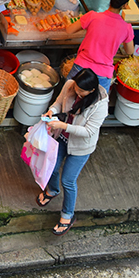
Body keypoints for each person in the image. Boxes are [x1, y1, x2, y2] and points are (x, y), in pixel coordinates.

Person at [36, 68, 107, 235]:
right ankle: (53, 190)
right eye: (76, 87)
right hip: (62, 138)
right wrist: (51, 111)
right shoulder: (70, 85)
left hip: (81, 147)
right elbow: (58, 103)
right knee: (52, 168)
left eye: (81, 90)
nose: (77, 91)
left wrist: (63, 125)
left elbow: (88, 131)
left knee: (68, 180)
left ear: (92, 90)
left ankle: (67, 216)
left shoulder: (100, 105)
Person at [65, 0, 135, 91]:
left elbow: (69, 30)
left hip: (81, 68)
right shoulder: (127, 27)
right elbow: (130, 51)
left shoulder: (92, 16)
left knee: (67, 96)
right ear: (126, 5)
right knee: (98, 101)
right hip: (103, 74)